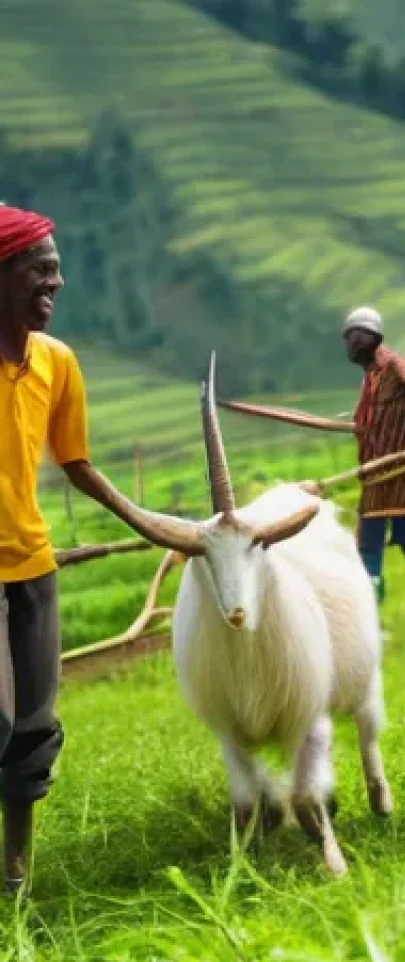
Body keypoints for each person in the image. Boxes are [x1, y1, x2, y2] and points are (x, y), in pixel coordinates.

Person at [0, 204, 183, 893]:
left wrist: (149, 521)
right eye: (42, 269)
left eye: (57, 269)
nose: (59, 281)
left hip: (33, 567)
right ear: (4, 272)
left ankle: (14, 871)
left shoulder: (57, 363)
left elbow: (77, 464)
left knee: (35, 726)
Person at [344, 306, 405, 616]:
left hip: (403, 474)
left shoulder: (396, 366)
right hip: (376, 475)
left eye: (359, 336)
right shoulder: (369, 377)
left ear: (375, 338)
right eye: (349, 338)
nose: (353, 343)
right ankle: (370, 608)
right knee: (368, 545)